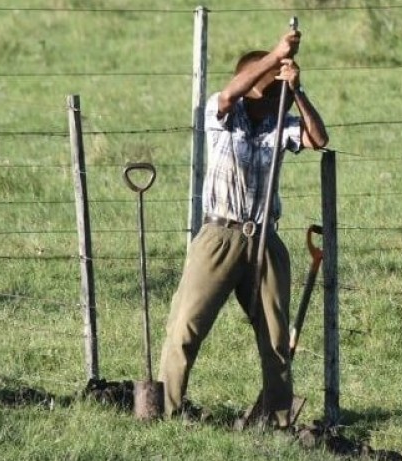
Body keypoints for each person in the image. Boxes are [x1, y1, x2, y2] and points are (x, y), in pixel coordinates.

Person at [158, 28, 329, 429]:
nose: (271, 98)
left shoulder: (279, 122)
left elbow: (318, 138)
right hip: (220, 236)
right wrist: (276, 55)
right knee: (186, 325)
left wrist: (298, 91)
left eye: (275, 92)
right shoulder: (220, 115)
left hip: (264, 240)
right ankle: (167, 411)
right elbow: (232, 94)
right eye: (266, 88)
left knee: (275, 337)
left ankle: (278, 418)